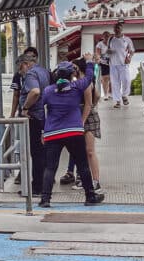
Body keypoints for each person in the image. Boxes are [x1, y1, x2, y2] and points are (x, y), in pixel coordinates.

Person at [38, 55, 104, 207]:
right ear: (72, 74)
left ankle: (45, 199)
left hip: (52, 133)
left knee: (50, 167)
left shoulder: (48, 91)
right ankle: (90, 197)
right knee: (82, 165)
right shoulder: (77, 87)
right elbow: (89, 76)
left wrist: (43, 130)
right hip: (74, 131)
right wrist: (89, 61)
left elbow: (41, 112)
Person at [10, 51, 51, 197]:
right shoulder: (44, 71)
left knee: (35, 153)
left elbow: (34, 91)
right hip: (43, 117)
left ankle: (37, 187)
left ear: (24, 64)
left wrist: (25, 108)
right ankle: (44, 185)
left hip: (33, 117)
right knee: (42, 153)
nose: (20, 72)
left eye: (20, 68)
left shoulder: (31, 74)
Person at [65, 60, 103, 192]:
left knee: (90, 151)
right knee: (84, 151)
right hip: (85, 116)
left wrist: (81, 122)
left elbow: (88, 104)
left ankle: (95, 180)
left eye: (73, 67)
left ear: (77, 68)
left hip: (86, 118)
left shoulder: (84, 83)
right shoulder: (82, 81)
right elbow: (97, 95)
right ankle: (85, 179)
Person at [106, 21, 135, 108]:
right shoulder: (110, 39)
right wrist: (109, 52)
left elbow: (132, 51)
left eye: (118, 28)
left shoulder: (127, 39)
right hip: (113, 64)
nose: (116, 30)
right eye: (115, 28)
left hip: (123, 64)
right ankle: (118, 101)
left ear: (121, 29)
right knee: (115, 83)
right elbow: (107, 51)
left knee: (126, 80)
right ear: (113, 29)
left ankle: (124, 95)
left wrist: (129, 57)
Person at [95, 30, 112, 100]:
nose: (107, 38)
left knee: (113, 78)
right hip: (104, 62)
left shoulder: (112, 43)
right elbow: (98, 53)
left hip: (113, 62)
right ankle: (106, 94)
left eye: (108, 36)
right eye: (105, 36)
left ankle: (111, 92)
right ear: (103, 37)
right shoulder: (100, 44)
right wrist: (98, 59)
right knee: (105, 78)